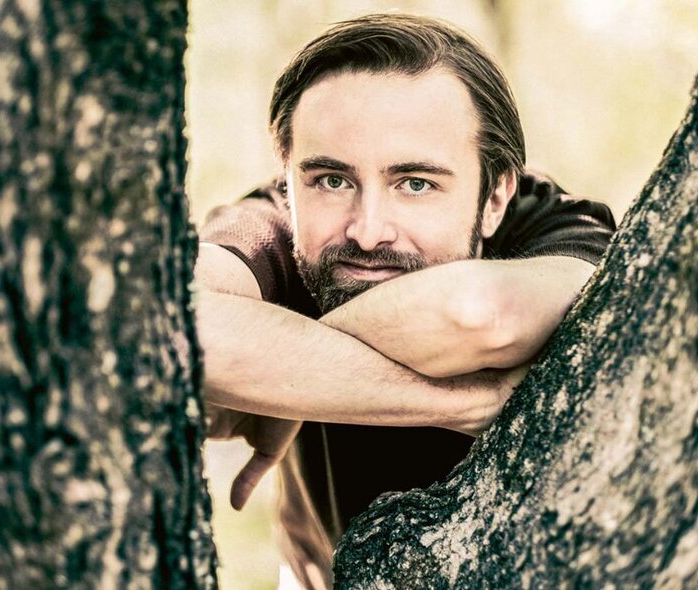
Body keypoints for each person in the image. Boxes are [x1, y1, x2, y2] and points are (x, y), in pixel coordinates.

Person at [194, 13, 616, 589]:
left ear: (495, 197)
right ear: (289, 182)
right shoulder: (273, 223)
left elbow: (477, 315)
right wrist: (460, 402)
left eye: (415, 183)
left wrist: (278, 369)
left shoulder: (558, 226)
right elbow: (179, 329)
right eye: (331, 180)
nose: (368, 232)